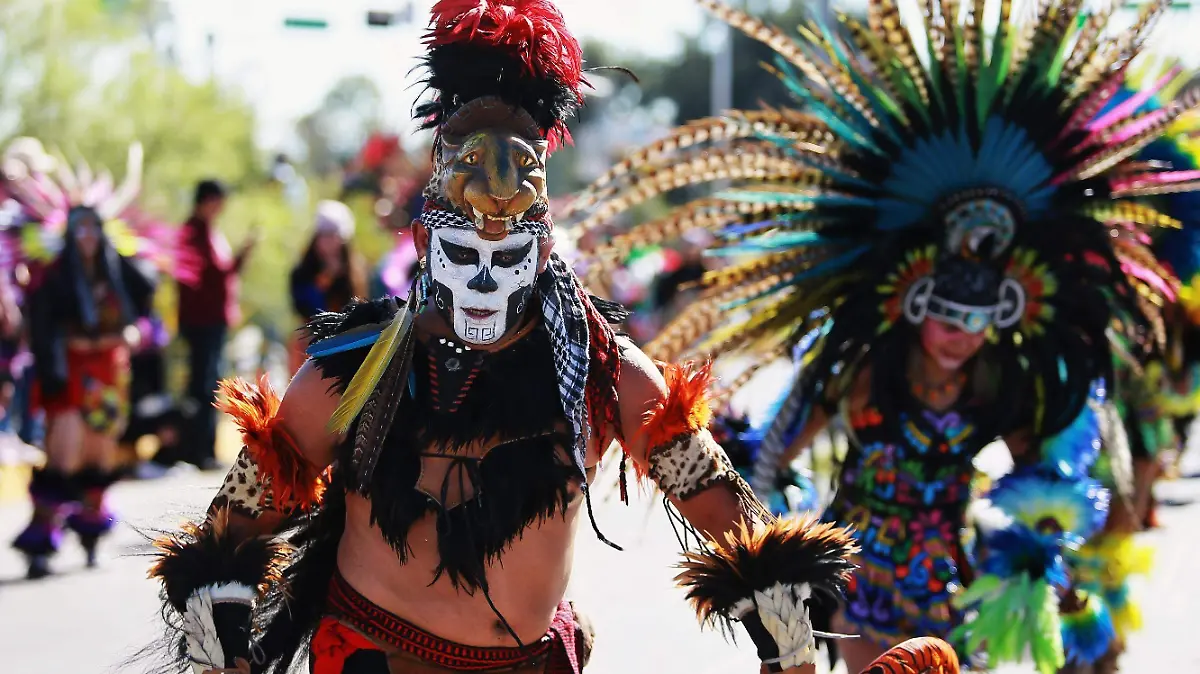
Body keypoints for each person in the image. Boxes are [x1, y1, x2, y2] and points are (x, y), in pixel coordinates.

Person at [141, 4, 976, 674]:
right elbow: (232, 535)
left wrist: (786, 620)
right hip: (369, 657)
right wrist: (223, 635)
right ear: (428, 238)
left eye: (506, 248)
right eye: (464, 249)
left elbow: (724, 510)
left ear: (544, 241)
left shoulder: (603, 373)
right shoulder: (350, 374)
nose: (483, 274)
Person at [565, 1, 1192, 672]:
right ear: (915, 302)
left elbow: (1039, 471)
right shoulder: (862, 373)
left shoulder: (992, 384)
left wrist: (1042, 540)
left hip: (952, 594)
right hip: (860, 596)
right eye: (948, 317)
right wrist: (771, 550)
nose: (960, 336)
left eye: (978, 322)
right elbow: (772, 458)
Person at [8, 143, 158, 578]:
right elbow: (45, 329)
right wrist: (83, 344)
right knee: (65, 456)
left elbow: (144, 313)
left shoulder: (121, 274)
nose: (88, 235)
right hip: (70, 376)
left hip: (109, 376)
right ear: (71, 233)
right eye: (81, 228)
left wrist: (129, 333)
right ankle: (40, 541)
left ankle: (91, 533)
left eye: (95, 226)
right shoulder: (56, 279)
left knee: (99, 457)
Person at [177, 179, 255, 470]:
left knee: (209, 383)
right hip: (201, 322)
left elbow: (222, 274)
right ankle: (198, 450)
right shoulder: (192, 234)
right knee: (203, 386)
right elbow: (207, 277)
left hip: (213, 322)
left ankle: (203, 448)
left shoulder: (208, 232)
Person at [288, 200, 368, 372]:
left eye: (332, 234)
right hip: (309, 340)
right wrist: (326, 279)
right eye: (323, 235)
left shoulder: (354, 271)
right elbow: (303, 306)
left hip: (345, 341)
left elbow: (356, 307)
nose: (327, 241)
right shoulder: (303, 271)